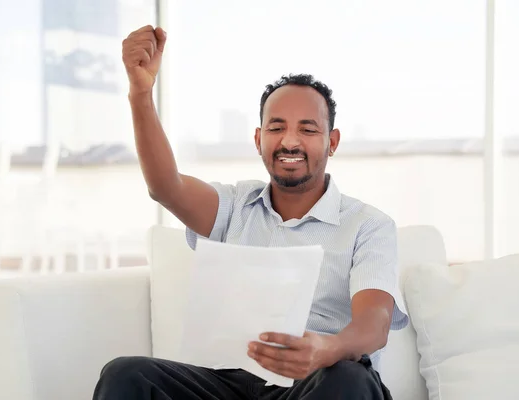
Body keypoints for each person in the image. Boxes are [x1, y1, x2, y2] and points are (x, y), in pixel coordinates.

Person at [93, 25, 408, 400]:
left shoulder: (368, 225)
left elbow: (375, 323)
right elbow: (165, 187)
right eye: (277, 127)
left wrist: (326, 350)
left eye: (307, 129)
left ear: (332, 141)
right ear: (259, 139)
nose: (290, 141)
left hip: (315, 382)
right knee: (126, 375)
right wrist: (141, 93)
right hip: (227, 383)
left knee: (349, 379)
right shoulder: (235, 206)